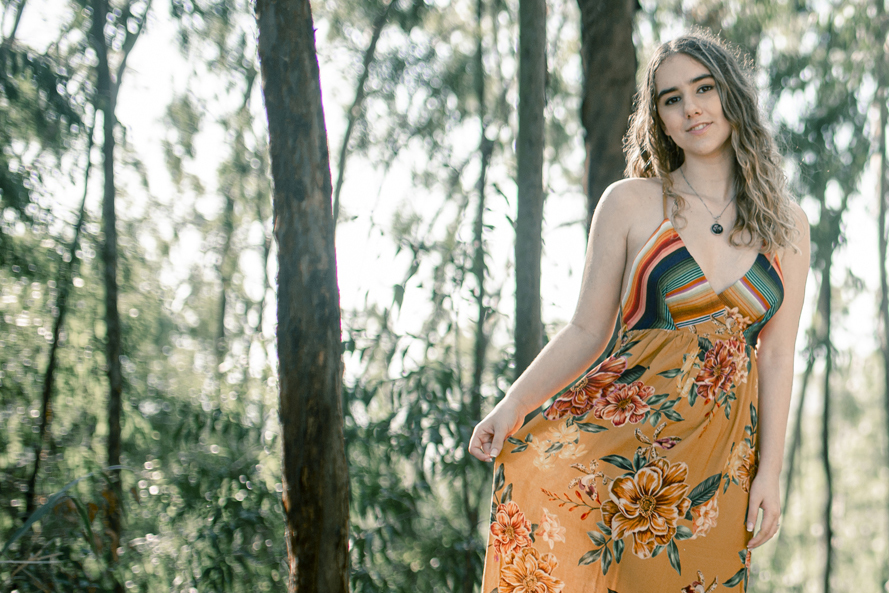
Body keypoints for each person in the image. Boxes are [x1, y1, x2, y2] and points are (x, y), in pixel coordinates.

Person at [468, 32, 810, 592]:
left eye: (704, 88)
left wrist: (768, 472)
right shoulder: (630, 202)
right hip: (622, 455)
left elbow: (776, 355)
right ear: (659, 118)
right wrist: (512, 405)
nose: (691, 107)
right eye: (671, 98)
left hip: (720, 464)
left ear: (733, 97)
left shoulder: (788, 224)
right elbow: (586, 330)